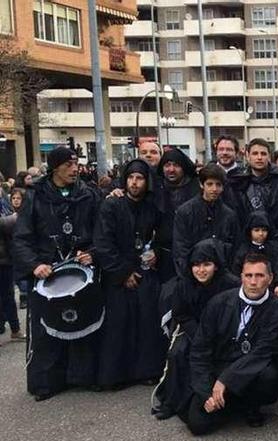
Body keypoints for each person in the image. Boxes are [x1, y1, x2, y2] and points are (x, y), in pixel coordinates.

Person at [11, 146, 102, 401]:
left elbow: (101, 232)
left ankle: (84, 376)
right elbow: (21, 238)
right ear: (55, 167)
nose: (74, 169)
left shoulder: (89, 194)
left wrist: (92, 252)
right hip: (47, 271)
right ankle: (47, 382)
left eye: (76, 164)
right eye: (68, 165)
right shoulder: (34, 196)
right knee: (46, 330)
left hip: (80, 269)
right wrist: (33, 265)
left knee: (84, 323)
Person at [185, 253, 278, 435]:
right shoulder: (219, 303)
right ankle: (226, 403)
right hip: (219, 366)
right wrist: (205, 392)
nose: (253, 282)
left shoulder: (277, 308)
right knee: (198, 425)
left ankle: (250, 405)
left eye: (260, 276)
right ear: (241, 278)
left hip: (250, 369)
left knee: (269, 376)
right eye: (248, 275)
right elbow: (200, 350)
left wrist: (226, 380)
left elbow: (263, 351)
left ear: (270, 279)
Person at [93, 159, 166, 389]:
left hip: (144, 270)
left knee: (147, 321)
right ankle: (117, 374)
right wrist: (122, 273)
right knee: (118, 324)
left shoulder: (152, 206)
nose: (135, 183)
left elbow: (162, 237)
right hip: (117, 273)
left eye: (140, 178)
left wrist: (156, 252)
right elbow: (104, 243)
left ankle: (146, 370)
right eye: (131, 178)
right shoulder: (112, 205)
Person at [152, 239, 239, 420]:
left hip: (225, 333)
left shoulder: (231, 284)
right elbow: (181, 314)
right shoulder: (184, 284)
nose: (201, 270)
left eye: (206, 264)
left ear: (216, 265)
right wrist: (199, 335)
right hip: (193, 330)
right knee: (178, 354)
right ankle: (171, 403)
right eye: (196, 265)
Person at [173, 165, 239, 278]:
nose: (214, 189)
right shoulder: (185, 212)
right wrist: (187, 276)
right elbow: (180, 249)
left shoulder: (230, 215)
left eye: (218, 185)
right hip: (194, 274)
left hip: (222, 276)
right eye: (209, 184)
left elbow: (235, 248)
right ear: (201, 184)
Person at [229, 138, 278, 239]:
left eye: (263, 154)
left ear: (269, 157)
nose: (259, 157)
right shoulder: (238, 182)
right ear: (248, 156)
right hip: (246, 243)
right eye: (255, 153)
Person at [156, 147, 200, 282]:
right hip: (164, 255)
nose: (171, 169)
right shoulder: (156, 189)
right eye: (167, 165)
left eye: (176, 165)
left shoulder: (197, 187)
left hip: (193, 254)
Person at [232, 212, 278, 277]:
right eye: (256, 230)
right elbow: (237, 270)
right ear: (250, 231)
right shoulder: (243, 250)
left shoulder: (274, 248)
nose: (261, 233)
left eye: (264, 230)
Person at [0, 195, 21, 341]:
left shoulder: (3, 203)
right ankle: (14, 329)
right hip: (3, 259)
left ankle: (14, 329)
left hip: (5, 258)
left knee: (7, 296)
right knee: (7, 296)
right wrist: (15, 218)